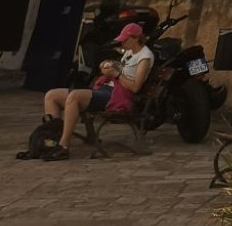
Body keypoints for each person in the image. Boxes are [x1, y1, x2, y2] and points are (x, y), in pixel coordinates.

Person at [37, 21, 153, 159]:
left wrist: (115, 74)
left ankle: (63, 146)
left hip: (118, 96)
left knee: (75, 97)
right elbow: (122, 69)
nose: (122, 43)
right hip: (107, 89)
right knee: (52, 96)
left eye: (125, 40)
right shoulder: (130, 51)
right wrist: (109, 65)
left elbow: (135, 87)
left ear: (136, 38)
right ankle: (52, 140)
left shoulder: (144, 57)